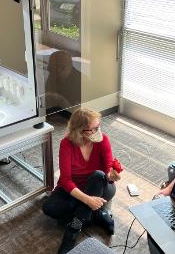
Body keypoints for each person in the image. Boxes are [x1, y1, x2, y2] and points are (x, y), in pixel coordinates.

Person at [42, 108, 121, 254]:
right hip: (75, 189)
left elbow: (107, 170)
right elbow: (65, 180)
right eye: (94, 129)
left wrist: (111, 175)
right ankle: (96, 214)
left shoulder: (103, 140)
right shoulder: (66, 144)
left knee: (97, 175)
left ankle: (73, 229)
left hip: (100, 186)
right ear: (80, 131)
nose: (98, 131)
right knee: (49, 208)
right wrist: (87, 200)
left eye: (99, 126)